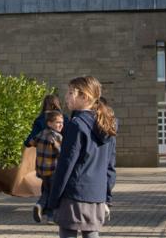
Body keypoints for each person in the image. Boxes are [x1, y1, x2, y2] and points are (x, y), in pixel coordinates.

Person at [44, 76, 116, 238]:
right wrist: (106, 197)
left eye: (71, 93)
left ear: (85, 97)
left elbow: (65, 166)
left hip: (73, 196)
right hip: (96, 195)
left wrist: (53, 199)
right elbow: (110, 166)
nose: (66, 97)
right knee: (91, 234)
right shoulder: (108, 123)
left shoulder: (76, 125)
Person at [31, 110, 64, 224]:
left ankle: (39, 205)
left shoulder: (41, 134)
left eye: (62, 123)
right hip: (53, 170)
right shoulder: (58, 137)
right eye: (58, 122)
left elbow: (31, 142)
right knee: (53, 193)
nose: (61, 125)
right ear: (49, 123)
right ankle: (50, 216)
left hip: (42, 171)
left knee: (46, 191)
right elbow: (61, 153)